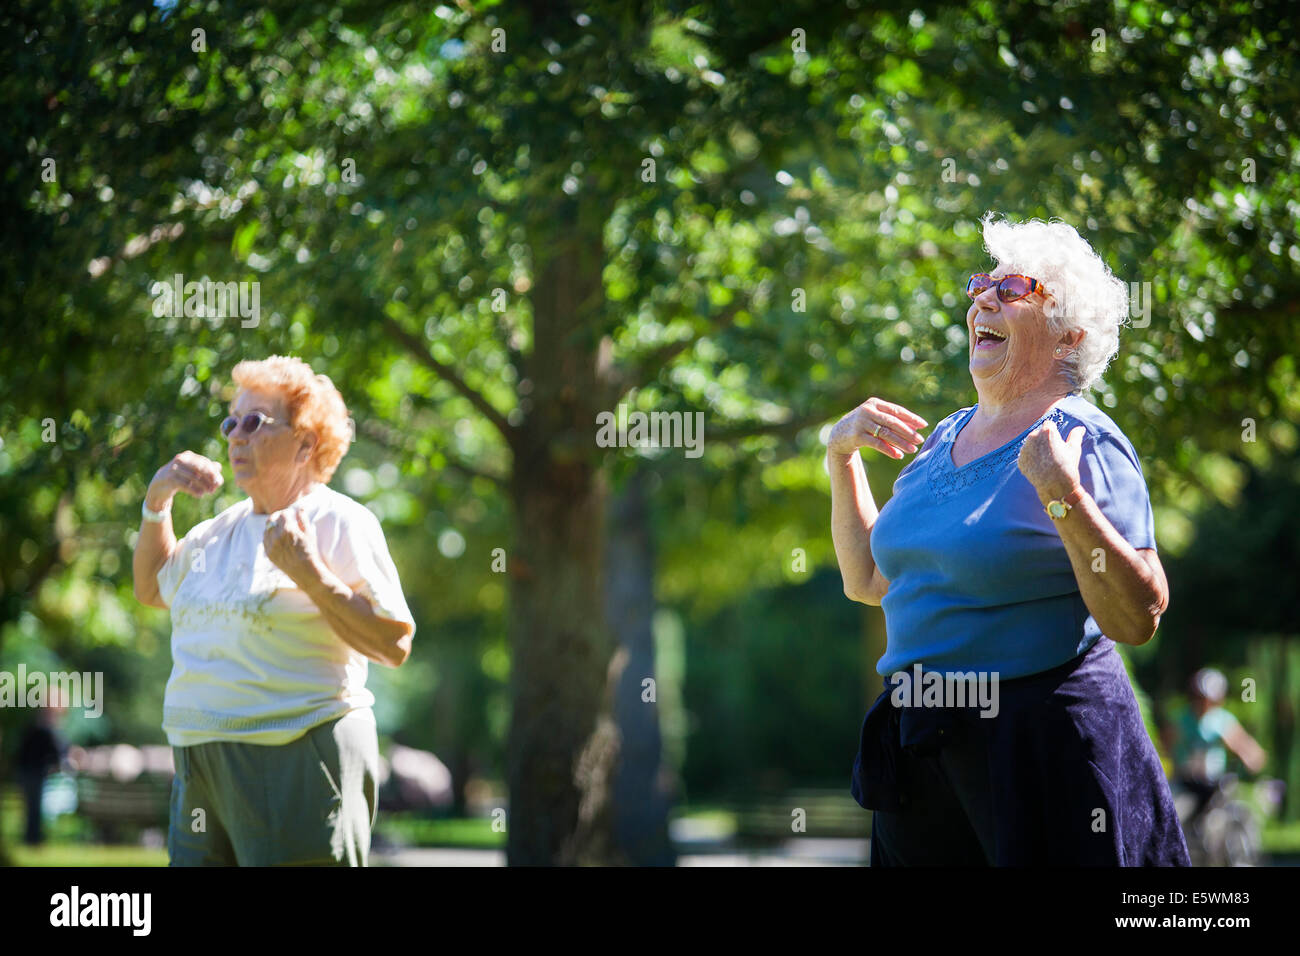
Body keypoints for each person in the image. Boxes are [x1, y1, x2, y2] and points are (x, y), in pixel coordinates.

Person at [828, 214, 1189, 865]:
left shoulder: (1083, 438)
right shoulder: (944, 436)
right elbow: (871, 583)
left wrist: (1062, 493)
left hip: (1037, 745)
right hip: (922, 740)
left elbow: (1139, 617)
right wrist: (841, 459)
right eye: (979, 285)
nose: (982, 299)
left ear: (1068, 334)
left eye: (1013, 287)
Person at [132, 355, 416, 866]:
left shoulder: (339, 522)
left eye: (254, 422)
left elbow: (394, 644)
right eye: (230, 422)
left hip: (296, 751)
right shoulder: (217, 531)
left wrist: (309, 572)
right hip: (201, 760)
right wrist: (158, 500)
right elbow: (152, 586)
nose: (235, 436)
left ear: (305, 442)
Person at [1167, 668, 1267, 824]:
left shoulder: (1222, 720)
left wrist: (1251, 758)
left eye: (1207, 699)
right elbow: (1166, 745)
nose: (1203, 704)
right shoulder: (1181, 720)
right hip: (1186, 781)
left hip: (1214, 783)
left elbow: (1246, 746)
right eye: (1199, 698)